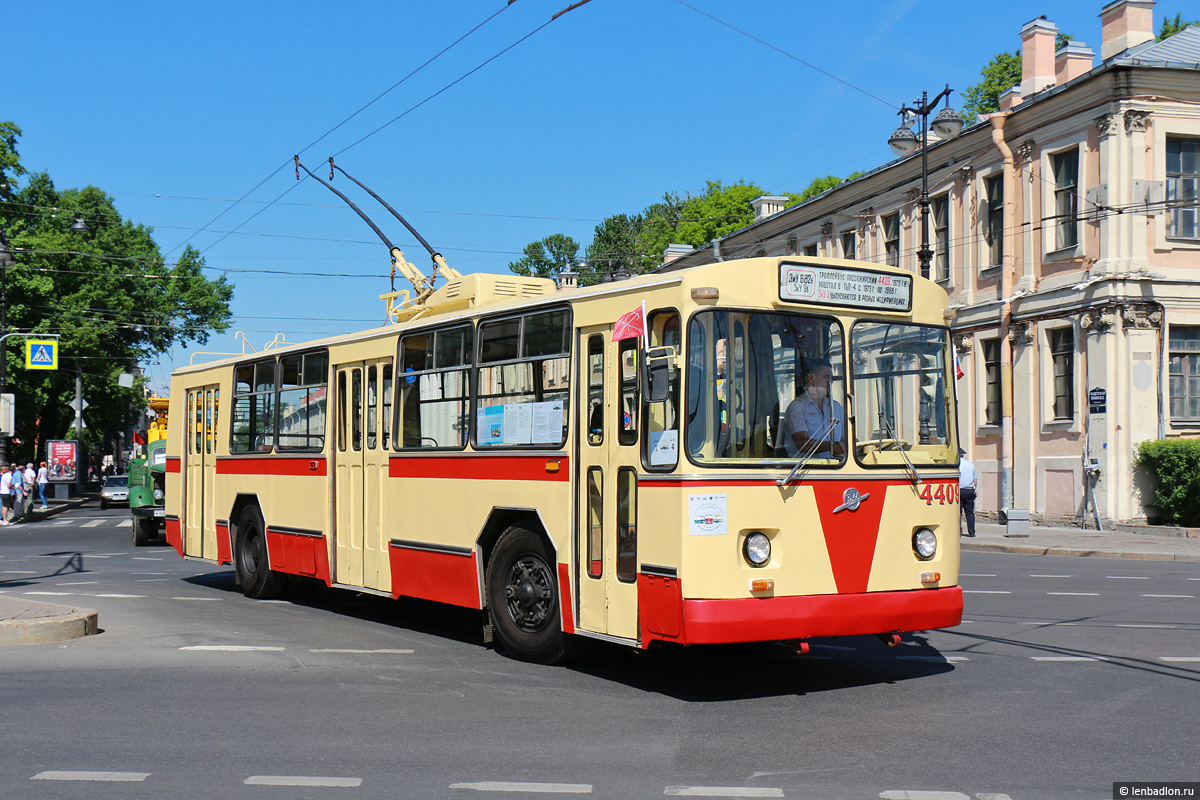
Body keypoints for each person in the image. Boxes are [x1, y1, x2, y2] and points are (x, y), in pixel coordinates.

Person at [780, 357, 844, 458]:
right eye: (826, 377)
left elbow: (845, 438)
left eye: (832, 378)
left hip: (836, 466)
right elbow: (802, 443)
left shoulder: (836, 407)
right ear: (811, 379)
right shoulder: (797, 407)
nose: (830, 381)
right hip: (806, 468)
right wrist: (830, 446)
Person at [959, 449, 978, 537]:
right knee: (970, 512)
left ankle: (958, 531)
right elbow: (975, 481)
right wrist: (975, 490)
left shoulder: (956, 465)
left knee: (958, 513)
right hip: (969, 491)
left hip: (958, 491)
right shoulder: (971, 465)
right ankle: (972, 532)